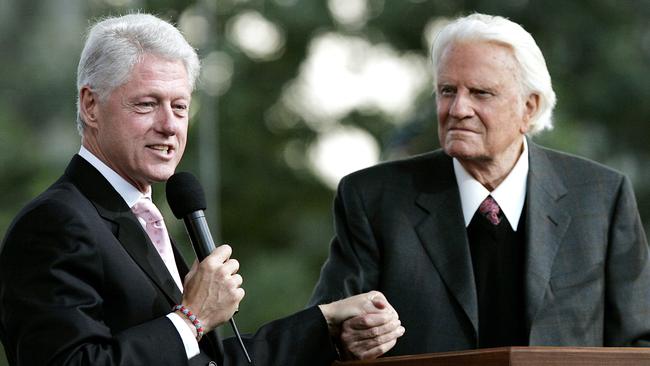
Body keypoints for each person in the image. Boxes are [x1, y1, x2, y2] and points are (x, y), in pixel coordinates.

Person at [0, 13, 404, 366]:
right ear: (91, 105)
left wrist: (327, 324)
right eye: (147, 104)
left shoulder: (134, 215)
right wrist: (191, 319)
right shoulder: (55, 223)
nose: (169, 125)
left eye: (180, 106)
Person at [309, 12, 650, 357]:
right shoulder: (373, 198)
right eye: (447, 91)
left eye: (480, 93)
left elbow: (639, 341)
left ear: (528, 108)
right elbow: (323, 332)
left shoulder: (601, 197)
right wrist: (349, 340)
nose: (458, 108)